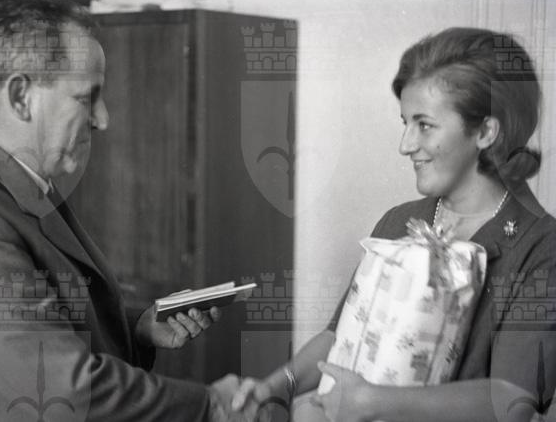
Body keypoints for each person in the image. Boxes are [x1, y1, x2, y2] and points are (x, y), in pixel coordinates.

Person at [0, 0, 236, 420]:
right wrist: (210, 405)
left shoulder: (17, 181)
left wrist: (138, 327)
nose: (103, 119)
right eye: (87, 98)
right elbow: (60, 387)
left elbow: (47, 313)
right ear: (21, 97)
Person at [228, 27, 556, 422]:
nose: (405, 144)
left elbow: (511, 399)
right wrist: (275, 386)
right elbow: (339, 335)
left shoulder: (542, 247)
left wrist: (372, 402)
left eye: (424, 125)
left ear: (485, 131)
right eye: (405, 122)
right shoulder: (400, 220)